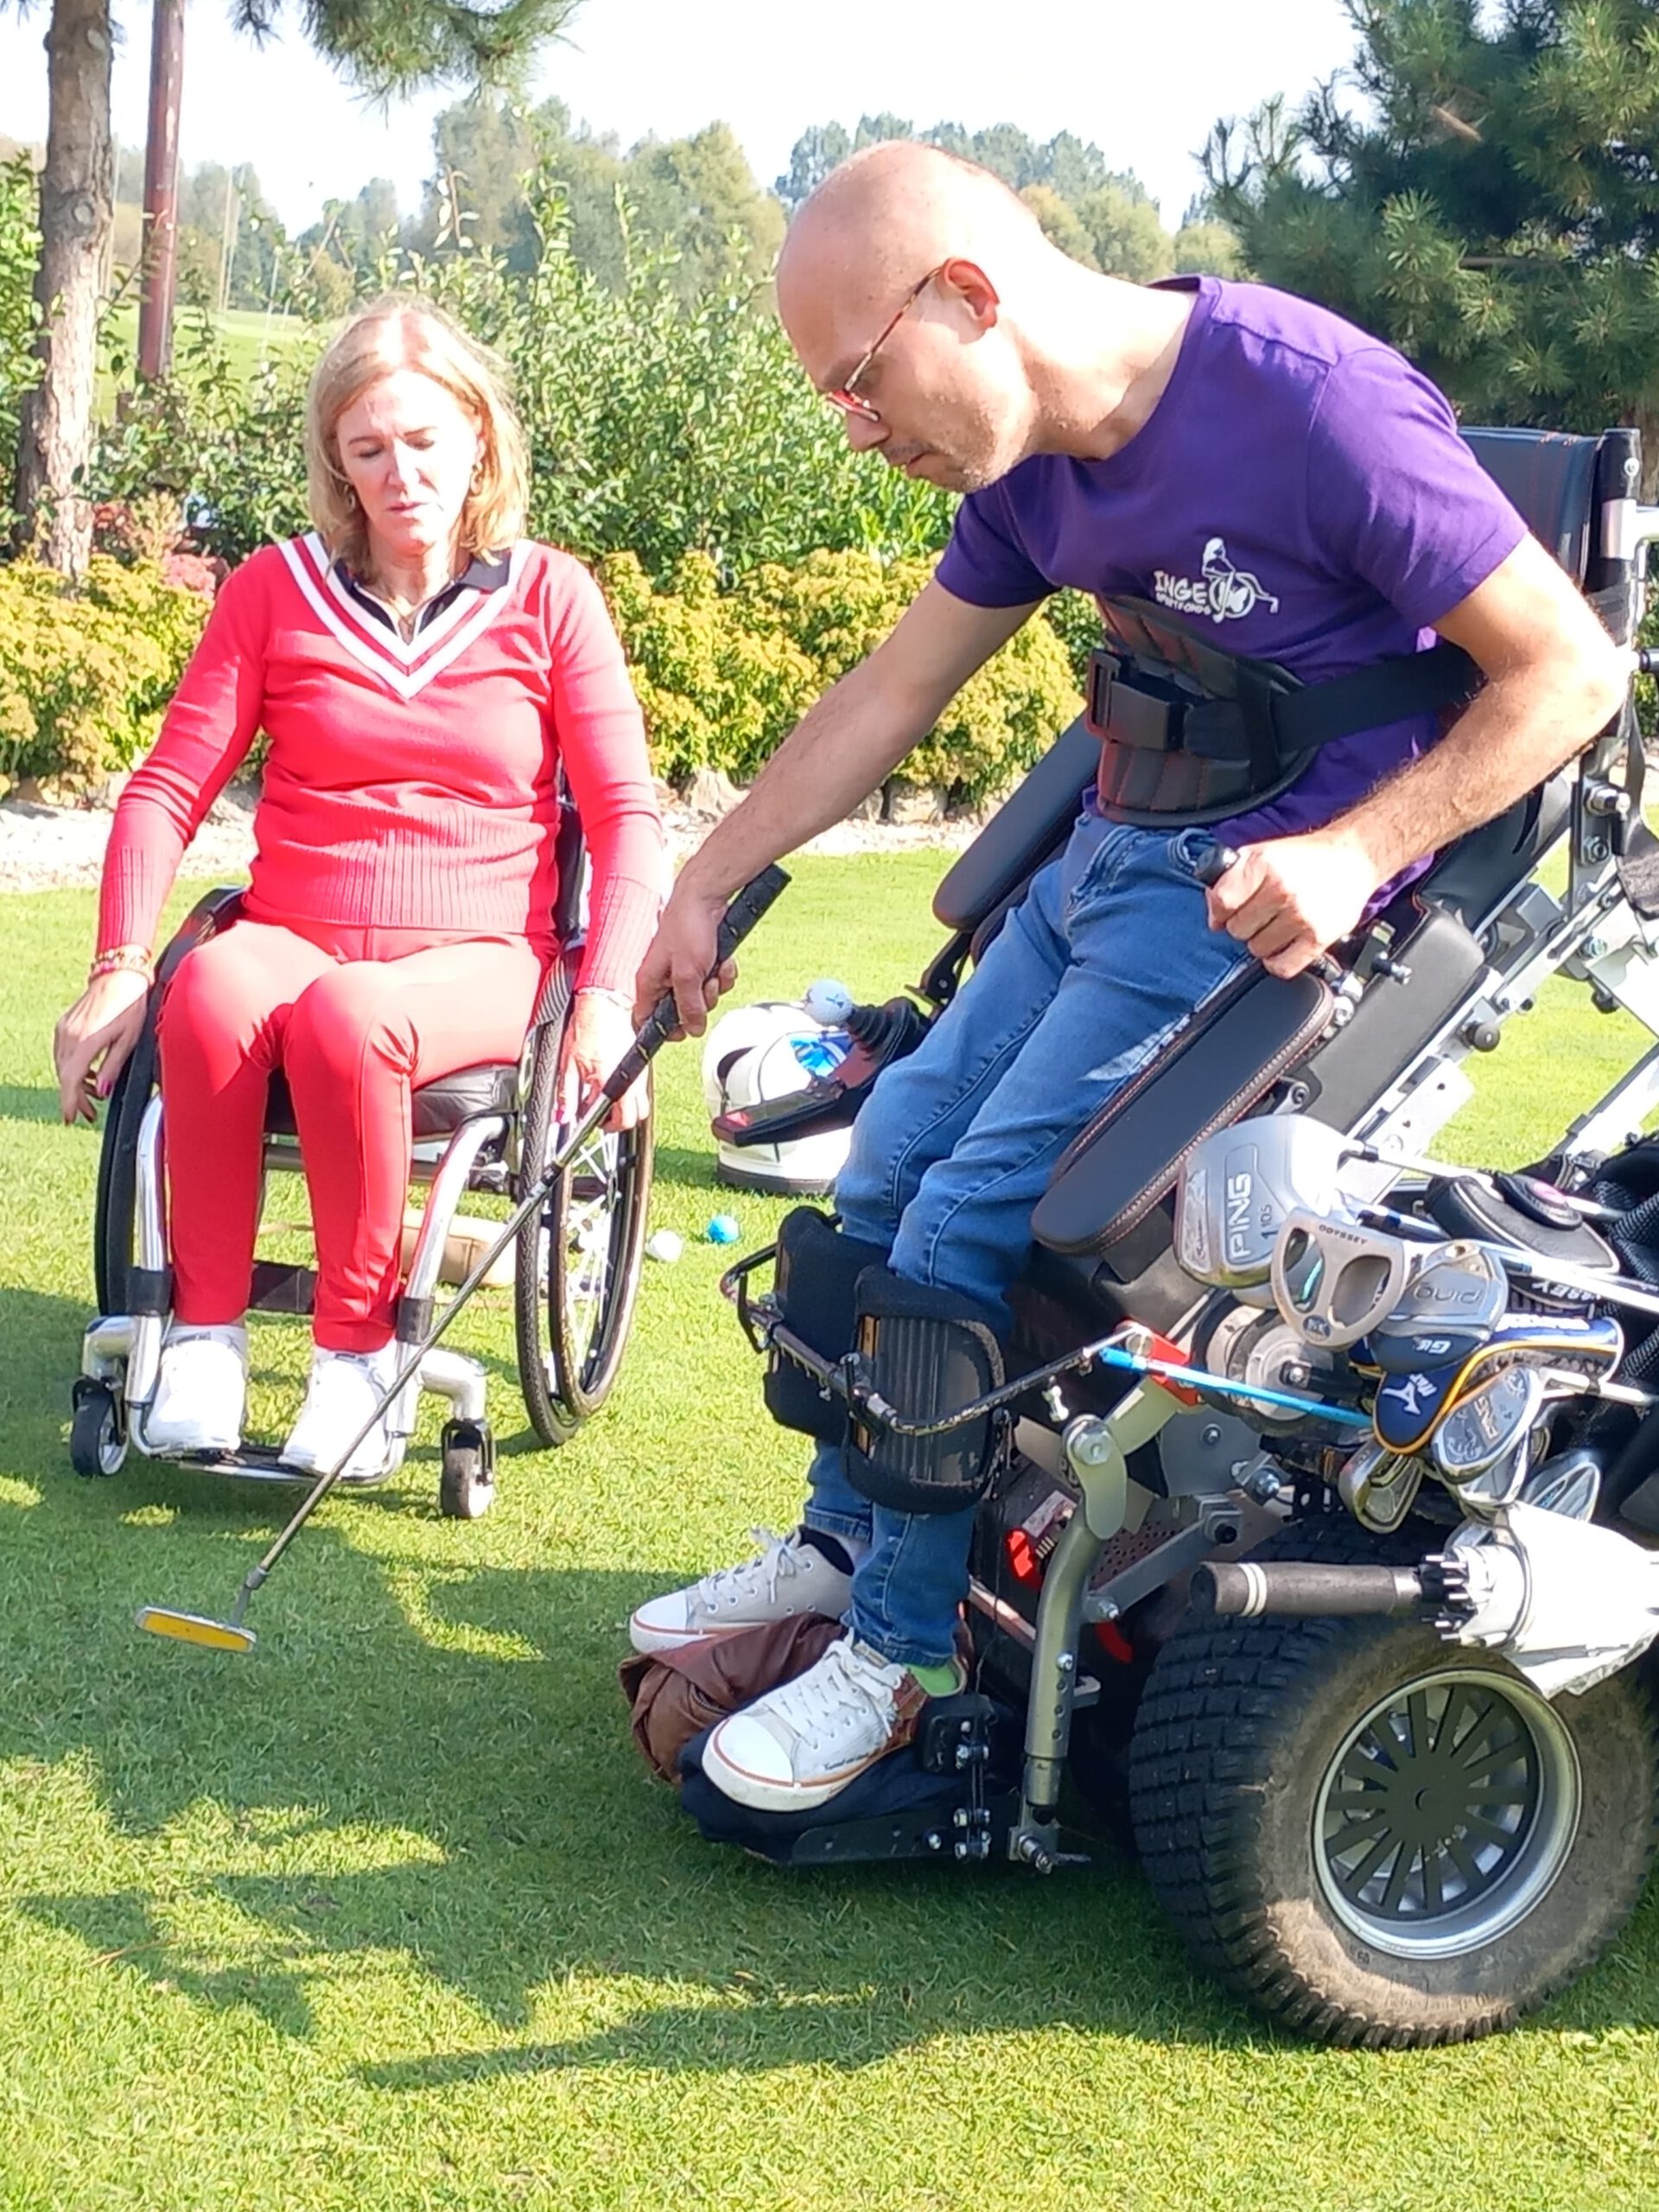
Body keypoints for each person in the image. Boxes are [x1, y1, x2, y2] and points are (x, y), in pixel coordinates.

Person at [626, 142, 1627, 1815]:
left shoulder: (1312, 407)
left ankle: (899, 1657)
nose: (857, 429)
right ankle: (840, 1546)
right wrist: (705, 879)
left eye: (860, 383)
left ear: (969, 296)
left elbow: (1573, 671)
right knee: (879, 1175)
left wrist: (1356, 847)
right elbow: (891, 694)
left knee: (958, 1235)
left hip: (1252, 906)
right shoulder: (1022, 475)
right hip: (1106, 852)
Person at [54, 295, 663, 1476]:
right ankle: (207, 1341)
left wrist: (603, 1002)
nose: (401, 474)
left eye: (425, 442)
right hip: (297, 924)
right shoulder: (273, 593)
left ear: (478, 438)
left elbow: (629, 815)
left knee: (354, 1015)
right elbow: (166, 789)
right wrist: (121, 966)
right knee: (219, 987)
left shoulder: (549, 598)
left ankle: (355, 1359)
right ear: (336, 459)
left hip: (481, 959)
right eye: (369, 448)